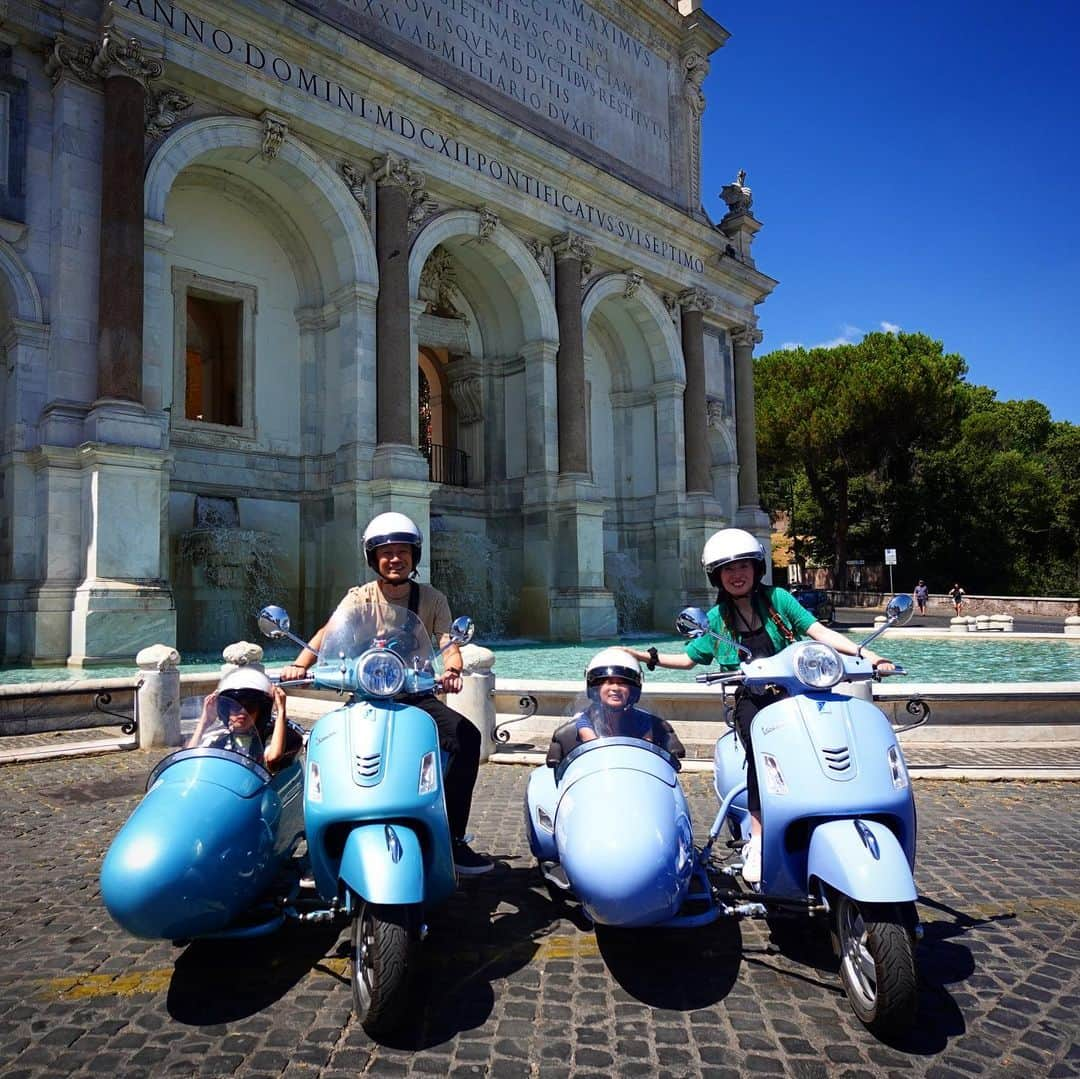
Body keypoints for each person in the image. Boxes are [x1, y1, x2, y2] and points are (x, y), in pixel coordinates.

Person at [625, 528, 894, 885]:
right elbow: (692, 659)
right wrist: (643, 656)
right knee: (761, 751)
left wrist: (868, 654)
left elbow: (819, 632)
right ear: (717, 576)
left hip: (797, 689)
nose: (737, 575)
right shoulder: (717, 619)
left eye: (744, 566)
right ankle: (758, 835)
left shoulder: (779, 600)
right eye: (727, 569)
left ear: (757, 568)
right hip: (753, 698)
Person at [279, 512, 492, 876]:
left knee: (466, 737)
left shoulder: (432, 598)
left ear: (415, 556)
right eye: (387, 552)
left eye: (403, 551)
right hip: (364, 693)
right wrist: (299, 664)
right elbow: (329, 632)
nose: (395, 558)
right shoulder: (359, 596)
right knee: (325, 745)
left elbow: (447, 640)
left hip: (413, 693)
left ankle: (453, 838)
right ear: (373, 558)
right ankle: (323, 837)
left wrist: (452, 670)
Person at [545, 648, 685, 766]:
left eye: (622, 683)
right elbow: (596, 752)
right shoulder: (585, 721)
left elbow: (645, 755)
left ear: (633, 690)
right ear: (596, 689)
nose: (615, 688)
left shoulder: (644, 721)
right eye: (609, 683)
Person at [189, 667, 291, 771]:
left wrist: (281, 712)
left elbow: (273, 757)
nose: (242, 712)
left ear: (260, 712)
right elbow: (189, 760)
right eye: (235, 706)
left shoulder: (267, 738)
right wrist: (204, 723)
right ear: (226, 709)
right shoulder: (217, 738)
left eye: (250, 706)